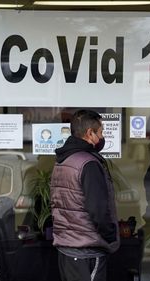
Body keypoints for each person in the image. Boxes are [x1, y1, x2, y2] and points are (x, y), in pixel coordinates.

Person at [50, 109, 120, 281]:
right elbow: (98, 209)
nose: (103, 137)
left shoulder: (62, 161)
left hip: (67, 249)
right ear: (90, 133)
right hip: (87, 252)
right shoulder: (88, 164)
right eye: (101, 132)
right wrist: (110, 236)